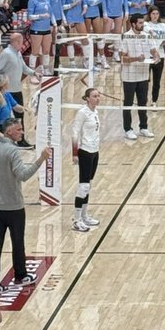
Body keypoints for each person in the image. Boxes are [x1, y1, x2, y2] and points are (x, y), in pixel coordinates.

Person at [0, 118, 50, 289]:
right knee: (17, 242)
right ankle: (20, 275)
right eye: (19, 129)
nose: (22, 132)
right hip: (13, 206)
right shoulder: (13, 151)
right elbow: (23, 175)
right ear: (9, 132)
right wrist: (41, 159)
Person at [0, 31, 36, 145]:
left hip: (17, 89)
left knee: (19, 117)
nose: (22, 44)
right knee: (5, 118)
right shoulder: (6, 54)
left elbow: (24, 68)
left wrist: (34, 73)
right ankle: (1, 139)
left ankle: (21, 140)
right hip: (6, 92)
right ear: (17, 42)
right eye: (21, 42)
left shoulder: (18, 53)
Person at [119, 14, 158, 141]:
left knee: (143, 103)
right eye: (140, 23)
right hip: (129, 76)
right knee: (128, 104)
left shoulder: (146, 36)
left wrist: (156, 56)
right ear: (133, 24)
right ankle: (128, 129)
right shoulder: (126, 37)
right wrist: (136, 58)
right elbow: (123, 58)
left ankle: (143, 127)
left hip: (143, 75)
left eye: (143, 23)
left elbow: (154, 50)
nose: (142, 25)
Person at [71, 88, 102, 232]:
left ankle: (84, 216)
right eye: (95, 96)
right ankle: (76, 220)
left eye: (98, 96)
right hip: (85, 151)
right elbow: (75, 132)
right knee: (83, 186)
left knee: (88, 185)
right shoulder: (82, 112)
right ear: (87, 98)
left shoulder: (95, 112)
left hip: (95, 151)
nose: (97, 98)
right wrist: (75, 153)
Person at [144, 7, 165, 104]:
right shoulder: (146, 25)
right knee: (145, 80)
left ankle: (154, 101)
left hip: (160, 56)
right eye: (153, 13)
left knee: (157, 82)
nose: (155, 16)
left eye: (157, 14)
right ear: (149, 14)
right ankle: (143, 100)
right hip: (148, 56)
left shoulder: (163, 26)